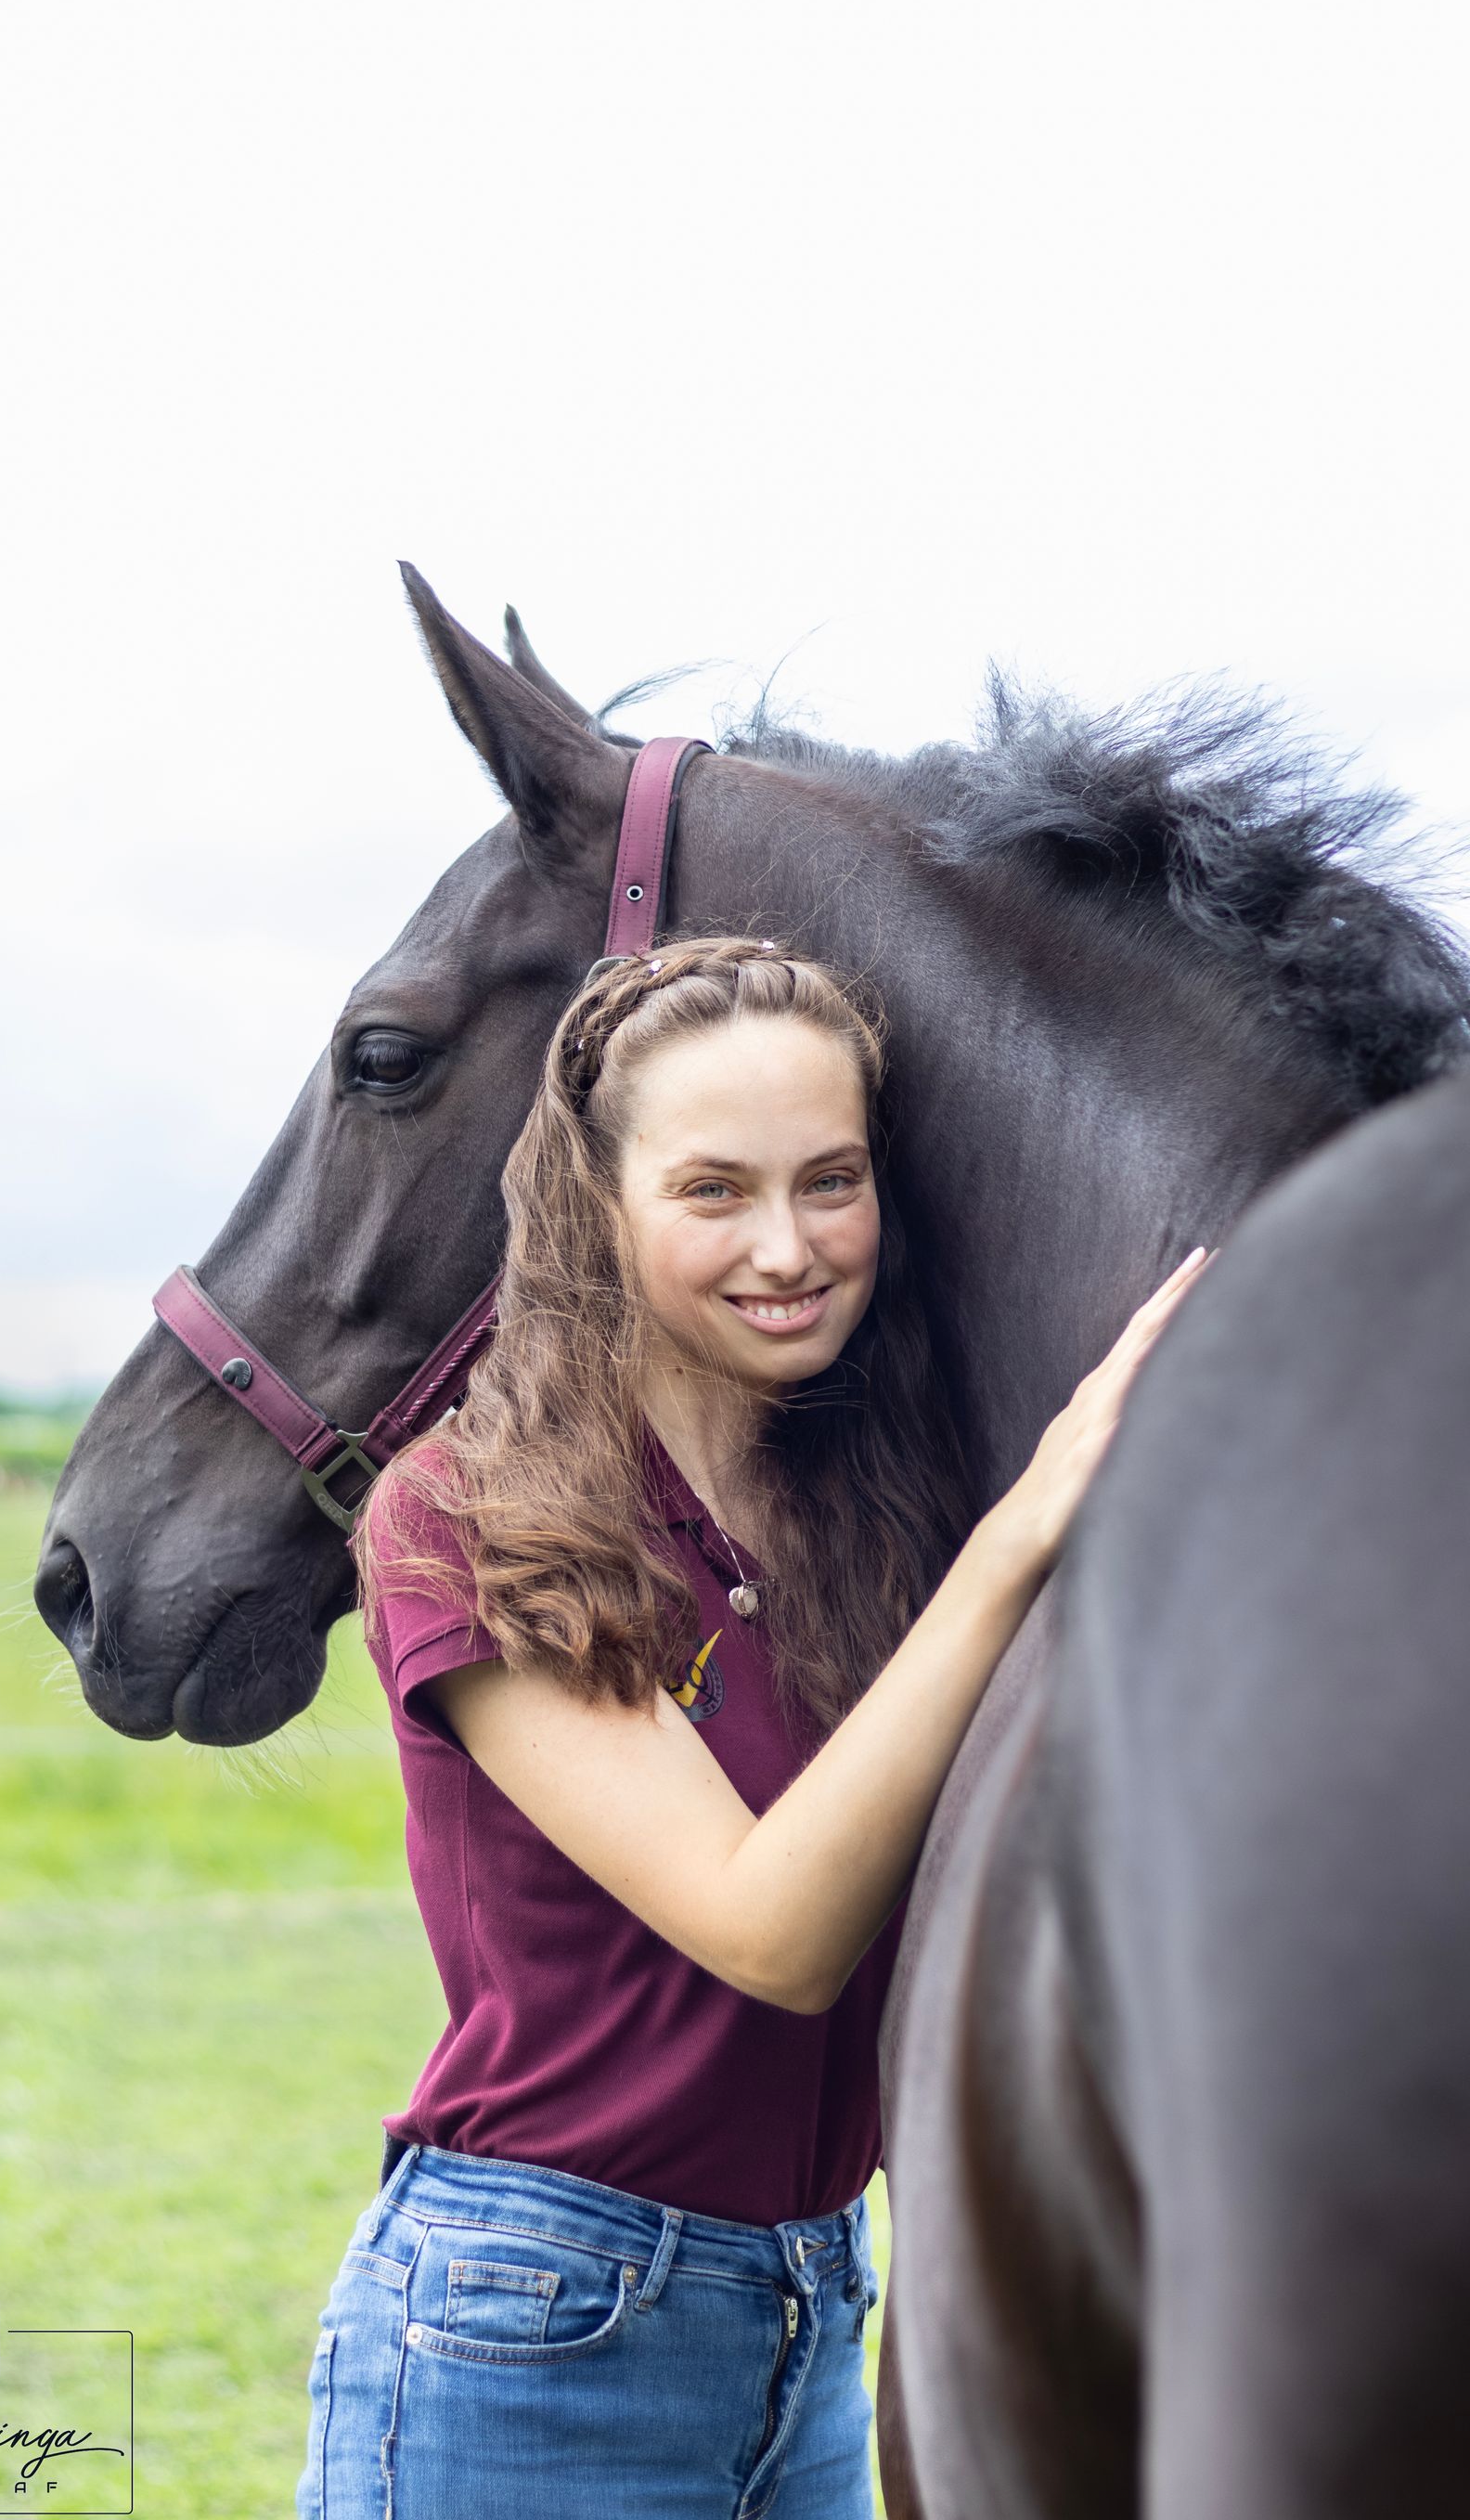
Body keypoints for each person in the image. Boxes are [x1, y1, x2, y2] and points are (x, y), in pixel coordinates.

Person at [293, 935, 1206, 2519]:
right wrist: (1021, 1534)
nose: (787, 1247)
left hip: (816, 2308)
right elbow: (769, 1927)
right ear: (597, 1200)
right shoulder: (468, 1512)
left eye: (830, 1180)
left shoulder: (864, 1498)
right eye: (714, 1190)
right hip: (540, 2320)